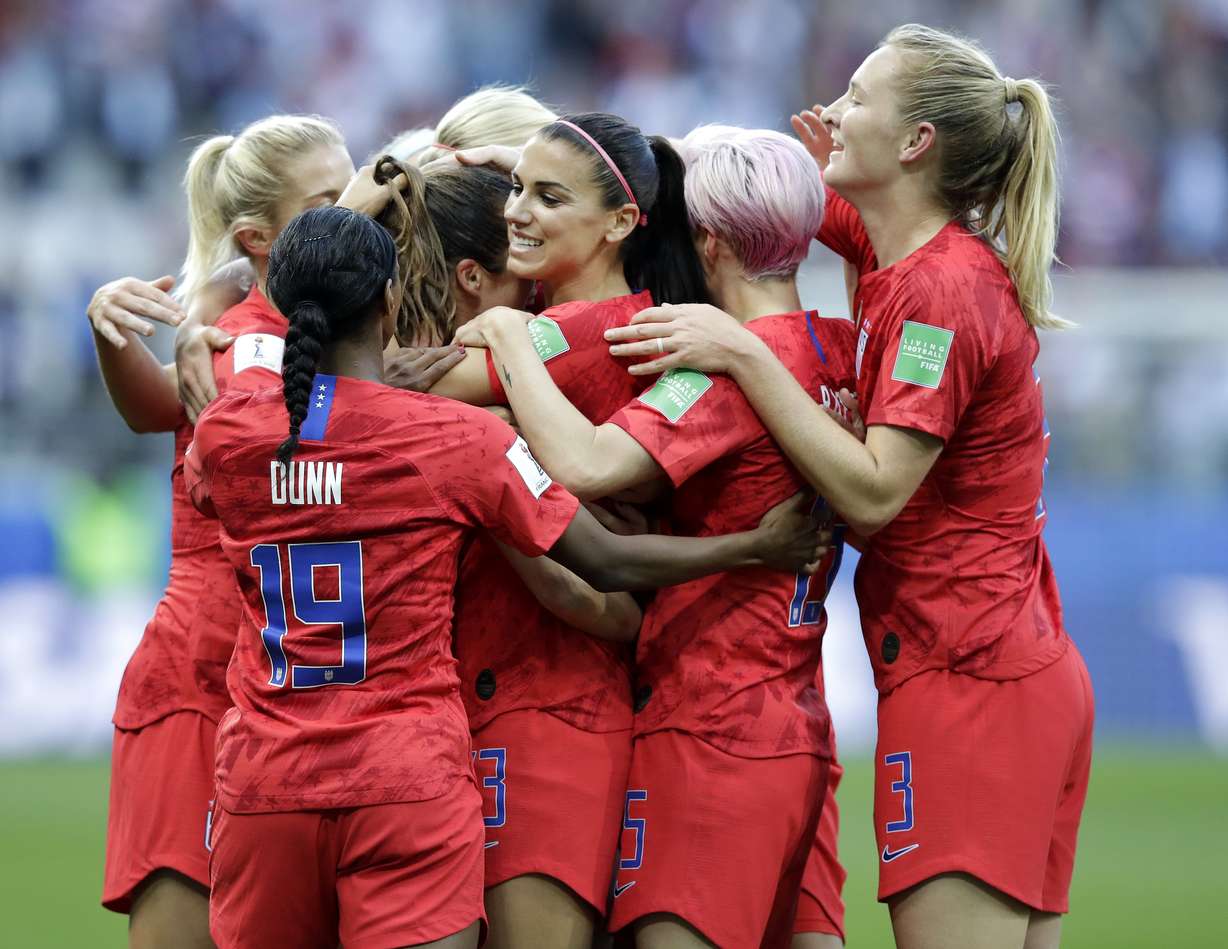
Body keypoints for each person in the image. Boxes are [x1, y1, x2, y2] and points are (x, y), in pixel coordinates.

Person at [185, 205, 826, 949]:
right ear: (389, 302)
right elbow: (605, 559)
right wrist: (751, 546)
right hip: (407, 781)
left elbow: (237, 470)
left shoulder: (227, 433)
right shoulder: (461, 437)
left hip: (266, 781)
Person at [604, 24, 1094, 949]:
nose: (830, 112)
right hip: (1014, 667)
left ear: (916, 145)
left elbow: (873, 495)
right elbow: (755, 206)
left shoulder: (939, 293)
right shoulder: (901, 252)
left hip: (971, 681)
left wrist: (745, 356)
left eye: (858, 97)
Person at [454, 125, 853, 949]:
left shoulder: (703, 366)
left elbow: (588, 462)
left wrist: (502, 340)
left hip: (705, 725)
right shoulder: (840, 350)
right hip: (801, 726)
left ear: (702, 237)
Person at [88, 113, 354, 949]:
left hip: (299, 688)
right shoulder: (233, 338)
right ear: (257, 237)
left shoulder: (345, 330)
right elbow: (153, 405)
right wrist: (108, 327)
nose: (354, 210)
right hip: (206, 677)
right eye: (330, 198)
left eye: (355, 187)